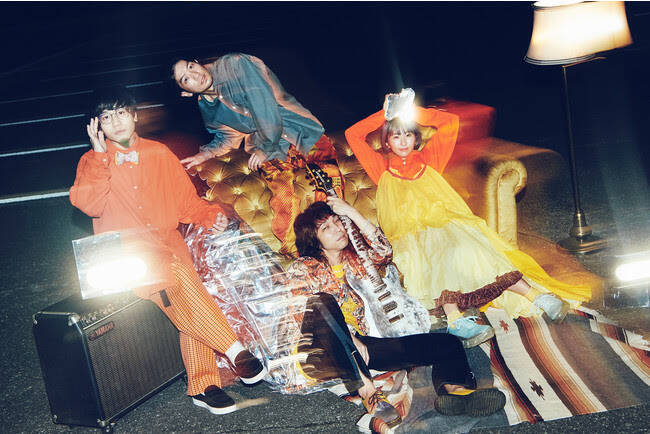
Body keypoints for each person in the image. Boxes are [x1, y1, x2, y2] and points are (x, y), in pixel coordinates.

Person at [69, 87, 267, 415]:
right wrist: (100, 156)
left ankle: (204, 386)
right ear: (97, 126)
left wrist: (209, 216)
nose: (115, 121)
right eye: (106, 116)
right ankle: (235, 350)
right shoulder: (92, 161)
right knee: (178, 279)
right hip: (124, 257)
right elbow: (88, 205)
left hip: (168, 248)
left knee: (186, 292)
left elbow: (185, 203)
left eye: (121, 113)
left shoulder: (159, 153)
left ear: (134, 116)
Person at [344, 89, 592, 325]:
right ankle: (455, 320)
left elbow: (449, 123)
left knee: (472, 248)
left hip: (447, 224)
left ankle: (539, 297)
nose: (403, 141)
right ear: (386, 141)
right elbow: (353, 135)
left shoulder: (430, 158)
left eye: (408, 134)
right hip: (409, 235)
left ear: (416, 138)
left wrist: (410, 111)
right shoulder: (380, 168)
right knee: (432, 257)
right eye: (396, 136)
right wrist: (388, 112)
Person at [287, 198, 507, 429]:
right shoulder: (304, 267)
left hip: (364, 347)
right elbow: (302, 314)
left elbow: (384, 252)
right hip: (321, 353)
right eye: (326, 228)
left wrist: (352, 213)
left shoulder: (356, 260)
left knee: (447, 343)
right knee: (322, 302)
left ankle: (456, 391)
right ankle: (369, 393)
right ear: (314, 240)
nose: (338, 229)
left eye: (337, 221)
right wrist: (349, 338)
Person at [172, 53, 343, 256]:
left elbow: (263, 105)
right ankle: (302, 257)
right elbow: (228, 136)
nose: (194, 75)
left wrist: (266, 147)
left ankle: (344, 245)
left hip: (301, 132)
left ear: (197, 62)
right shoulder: (206, 106)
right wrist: (205, 154)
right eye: (185, 78)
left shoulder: (235, 65)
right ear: (185, 92)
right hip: (268, 151)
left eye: (191, 66)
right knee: (283, 198)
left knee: (330, 183)